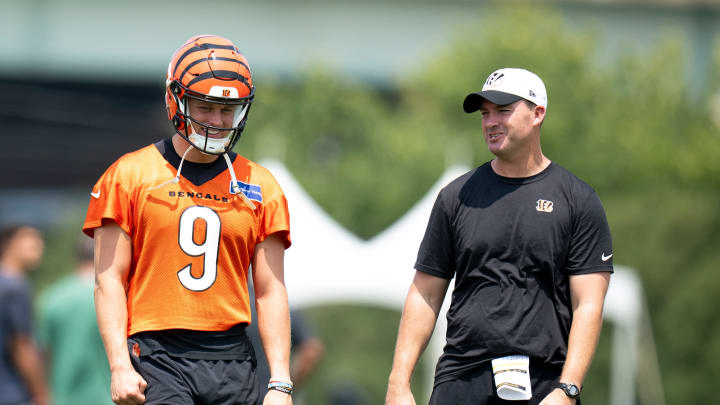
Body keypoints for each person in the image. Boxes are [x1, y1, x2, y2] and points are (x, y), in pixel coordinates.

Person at [83, 35, 294, 405]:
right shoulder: (129, 175)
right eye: (205, 107)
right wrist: (119, 364)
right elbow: (108, 278)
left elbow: (270, 289)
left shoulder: (261, 185)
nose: (217, 121)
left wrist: (280, 381)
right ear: (176, 100)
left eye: (227, 110)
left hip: (233, 356)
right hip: (156, 354)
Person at [386, 68, 613, 405]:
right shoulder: (456, 196)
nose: (490, 121)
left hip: (545, 383)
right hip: (461, 379)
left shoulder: (578, 200)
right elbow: (425, 293)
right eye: (485, 113)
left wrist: (568, 388)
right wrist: (398, 383)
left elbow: (588, 304)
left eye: (503, 110)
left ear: (538, 114)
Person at [36, 234, 113, 405]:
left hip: (62, 398)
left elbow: (42, 354)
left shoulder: (52, 297)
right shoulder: (116, 299)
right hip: (110, 398)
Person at [246, 283, 324, 402]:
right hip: (273, 395)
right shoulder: (277, 305)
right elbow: (312, 350)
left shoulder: (229, 306)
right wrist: (286, 385)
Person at [0, 225, 50, 405]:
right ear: (9, 243)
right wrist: (43, 394)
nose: (39, 246)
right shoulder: (14, 286)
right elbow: (22, 346)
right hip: (12, 392)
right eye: (30, 240)